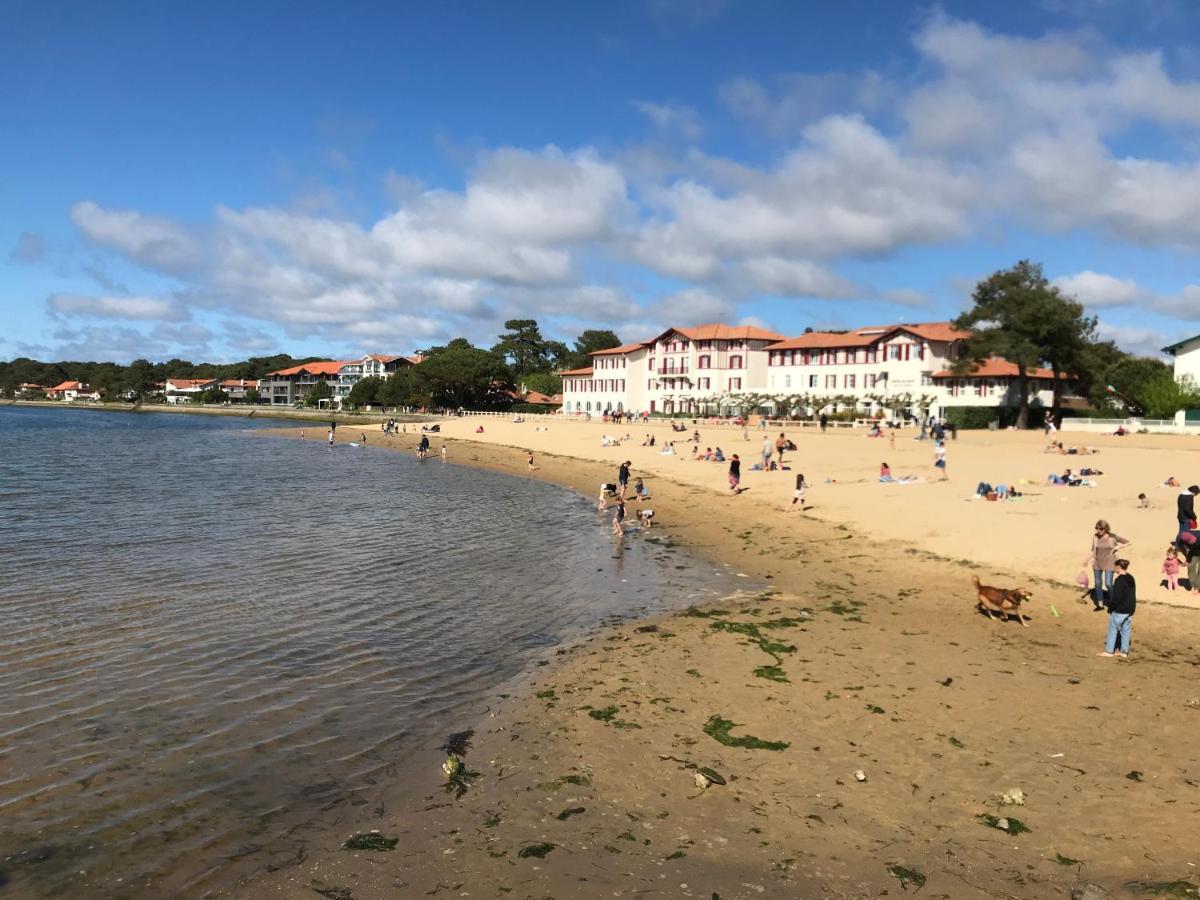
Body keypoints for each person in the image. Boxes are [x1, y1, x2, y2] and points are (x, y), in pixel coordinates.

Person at [1084, 520, 1132, 611]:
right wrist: (1086, 561)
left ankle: (1114, 603)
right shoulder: (1095, 537)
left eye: (1101, 528)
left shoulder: (1113, 537)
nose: (1098, 530)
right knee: (1098, 584)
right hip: (1097, 563)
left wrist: (1118, 547)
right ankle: (1100, 605)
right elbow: (1092, 550)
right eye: (1096, 528)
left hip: (1110, 562)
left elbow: (1128, 542)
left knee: (1108, 583)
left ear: (1106, 529)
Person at [1098, 559, 1135, 658]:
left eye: (1115, 566)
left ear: (1119, 567)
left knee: (1113, 628)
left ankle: (1109, 651)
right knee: (1126, 631)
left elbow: (1116, 598)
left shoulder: (1119, 580)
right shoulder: (1131, 578)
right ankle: (1124, 652)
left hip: (1120, 610)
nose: (1114, 568)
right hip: (1129, 609)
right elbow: (1131, 595)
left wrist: (1111, 608)